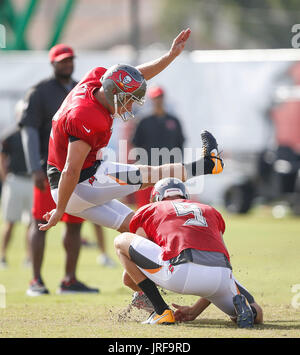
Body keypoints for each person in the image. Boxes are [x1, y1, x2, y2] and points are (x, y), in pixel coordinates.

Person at [38, 28, 223, 236]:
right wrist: (60, 210)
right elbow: (71, 170)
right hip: (77, 185)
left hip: (76, 182)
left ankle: (172, 260)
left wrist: (169, 56)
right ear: (113, 93)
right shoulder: (87, 116)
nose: (129, 108)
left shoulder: (96, 81)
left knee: (140, 230)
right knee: (149, 174)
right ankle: (207, 165)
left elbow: (135, 76)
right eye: (128, 100)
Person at [114, 178, 263, 327]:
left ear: (157, 198)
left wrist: (146, 291)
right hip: (220, 276)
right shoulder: (210, 210)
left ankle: (161, 311)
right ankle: (244, 312)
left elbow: (129, 277)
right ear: (185, 196)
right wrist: (194, 310)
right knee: (256, 311)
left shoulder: (152, 209)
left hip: (179, 271)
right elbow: (221, 260)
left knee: (121, 241)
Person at [18, 44, 99, 296]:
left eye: (70, 60)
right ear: (52, 63)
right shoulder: (39, 92)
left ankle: (69, 280)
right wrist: (34, 167)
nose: (67, 64)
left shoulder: (81, 89)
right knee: (40, 221)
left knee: (74, 225)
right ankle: (36, 281)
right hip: (48, 169)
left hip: (78, 170)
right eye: (62, 61)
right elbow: (28, 130)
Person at [131, 85, 185, 208]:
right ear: (151, 100)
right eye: (156, 97)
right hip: (149, 169)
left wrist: (177, 165)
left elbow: (180, 143)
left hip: (169, 169)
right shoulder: (144, 121)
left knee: (168, 203)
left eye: (160, 97)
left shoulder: (174, 121)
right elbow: (136, 144)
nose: (158, 100)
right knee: (145, 205)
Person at [0, 128, 33, 268]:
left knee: (31, 223)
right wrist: (5, 178)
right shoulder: (11, 136)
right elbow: (2, 158)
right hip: (15, 180)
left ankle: (29, 257)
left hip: (32, 181)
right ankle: (2, 256)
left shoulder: (35, 134)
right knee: (10, 222)